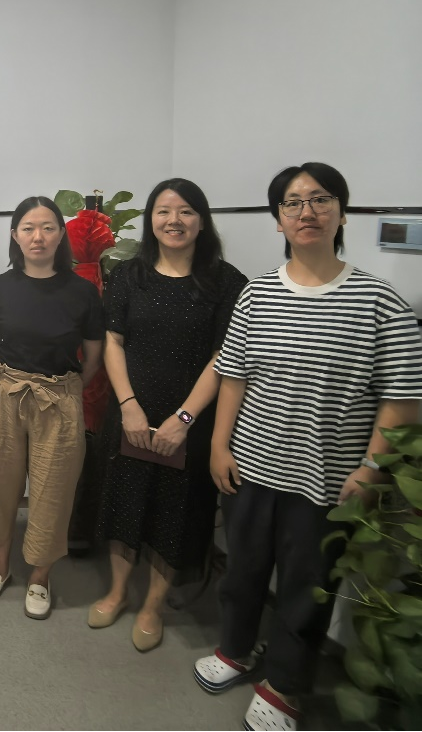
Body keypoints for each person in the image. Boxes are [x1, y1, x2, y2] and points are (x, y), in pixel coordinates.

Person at [195, 163, 422, 732]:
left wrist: (371, 468)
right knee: (243, 571)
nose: (307, 212)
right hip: (250, 468)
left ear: (342, 213)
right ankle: (235, 650)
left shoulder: (378, 301)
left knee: (307, 588)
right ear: (278, 221)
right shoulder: (257, 293)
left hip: (326, 480)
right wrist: (219, 445)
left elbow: (402, 400)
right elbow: (233, 375)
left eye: (320, 200)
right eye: (292, 203)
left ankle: (286, 686)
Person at [88, 179, 247, 652]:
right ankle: (118, 591)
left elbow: (224, 356)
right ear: (151, 220)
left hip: (191, 418)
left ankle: (153, 606)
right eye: (163, 211)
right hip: (131, 410)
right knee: (124, 500)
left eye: (185, 212)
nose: (173, 220)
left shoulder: (227, 282)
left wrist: (185, 418)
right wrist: (128, 406)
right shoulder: (128, 275)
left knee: (176, 511)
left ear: (202, 220)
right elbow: (113, 340)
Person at [0, 196, 104, 619]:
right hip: (6, 395)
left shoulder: (82, 291)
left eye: (47, 227)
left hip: (59, 399)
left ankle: (40, 578)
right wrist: (6, 383)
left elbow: (94, 357)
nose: (38, 236)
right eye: (28, 228)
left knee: (53, 492)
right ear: (15, 235)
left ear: (61, 235)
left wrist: (65, 389)